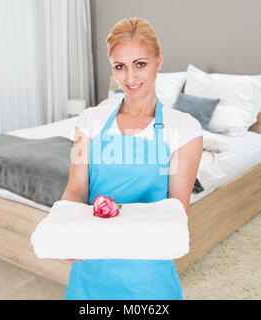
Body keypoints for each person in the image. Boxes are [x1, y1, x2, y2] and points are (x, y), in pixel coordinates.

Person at [61, 17, 203, 300]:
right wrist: (66, 233)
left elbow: (177, 210)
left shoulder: (184, 128)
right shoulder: (90, 121)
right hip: (90, 267)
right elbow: (77, 189)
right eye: (120, 67)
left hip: (147, 271)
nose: (130, 78)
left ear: (159, 60)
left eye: (141, 64)